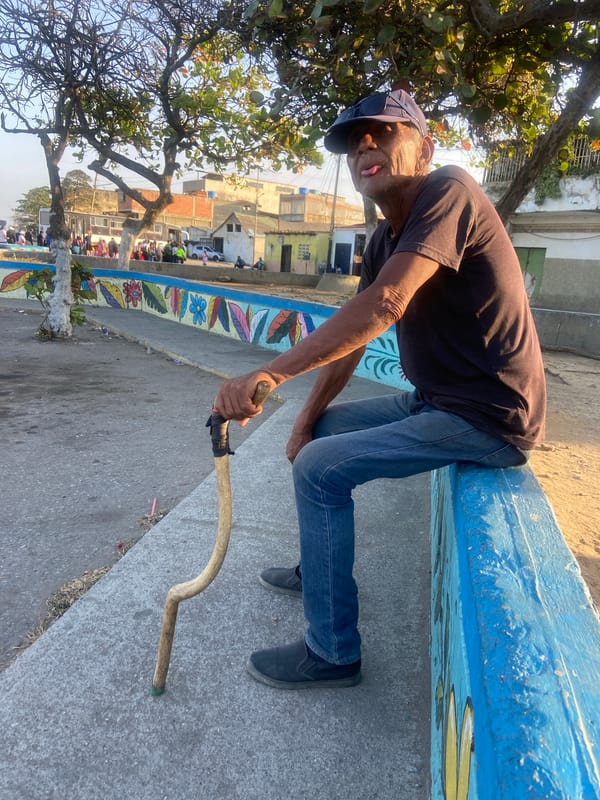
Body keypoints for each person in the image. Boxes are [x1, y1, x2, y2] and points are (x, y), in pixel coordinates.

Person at [213, 88, 546, 690]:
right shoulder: (382, 239)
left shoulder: (450, 190)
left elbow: (387, 304)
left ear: (425, 145)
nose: (364, 145)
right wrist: (305, 417)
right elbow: (358, 333)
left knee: (319, 469)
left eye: (382, 132)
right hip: (440, 401)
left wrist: (269, 374)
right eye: (350, 141)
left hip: (490, 416)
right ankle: (319, 571)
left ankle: (332, 652)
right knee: (322, 437)